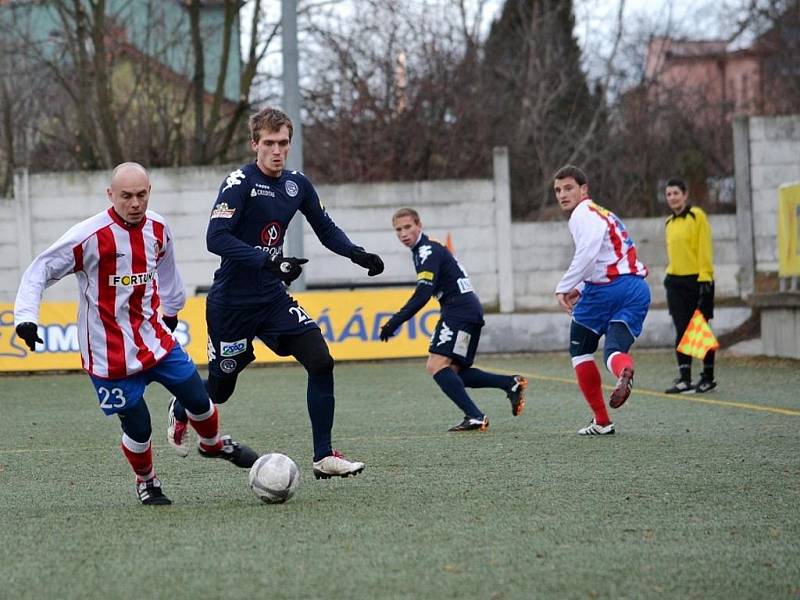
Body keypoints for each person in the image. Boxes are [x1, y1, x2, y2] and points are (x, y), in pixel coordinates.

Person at [13, 163, 257, 506]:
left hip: (154, 339)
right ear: (110, 195)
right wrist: (26, 317)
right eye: (126, 196)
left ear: (149, 193)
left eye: (141, 195)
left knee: (198, 398)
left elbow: (169, 271)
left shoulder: (158, 227)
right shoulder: (90, 237)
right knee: (139, 427)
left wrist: (172, 311)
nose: (135, 203)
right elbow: (40, 268)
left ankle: (213, 444)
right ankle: (147, 481)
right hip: (107, 354)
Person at [168, 107, 384, 479]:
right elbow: (215, 238)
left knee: (320, 361)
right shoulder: (239, 183)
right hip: (231, 304)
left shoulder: (297, 184)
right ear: (255, 144)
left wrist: (356, 253)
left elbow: (325, 228)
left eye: (283, 143)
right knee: (219, 391)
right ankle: (181, 407)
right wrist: (265, 261)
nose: (276, 150)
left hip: (271, 299)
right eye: (268, 143)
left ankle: (323, 457)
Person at [379, 208, 528, 432]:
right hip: (467, 310)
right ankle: (509, 383)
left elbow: (422, 294)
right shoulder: (426, 249)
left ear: (419, 225)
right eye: (398, 230)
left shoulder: (427, 251)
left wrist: (395, 322)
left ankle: (475, 416)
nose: (403, 233)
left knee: (436, 365)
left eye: (408, 227)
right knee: (454, 371)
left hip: (458, 311)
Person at [552, 165, 651, 435]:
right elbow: (607, 257)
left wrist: (564, 286)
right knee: (614, 350)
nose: (562, 194)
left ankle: (602, 421)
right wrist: (581, 288)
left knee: (580, 352)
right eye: (558, 190)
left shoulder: (582, 214)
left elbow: (588, 253)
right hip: (636, 289)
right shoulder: (603, 213)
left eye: (569, 187)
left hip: (605, 292)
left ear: (584, 189)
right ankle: (625, 370)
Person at [663, 178, 717, 394]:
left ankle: (708, 377)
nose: (672, 198)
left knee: (700, 329)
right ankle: (685, 378)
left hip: (697, 280)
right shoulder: (669, 222)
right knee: (681, 329)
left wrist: (706, 277)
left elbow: (705, 248)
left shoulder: (697, 216)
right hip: (675, 282)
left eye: (676, 193)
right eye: (668, 194)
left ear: (685, 195)